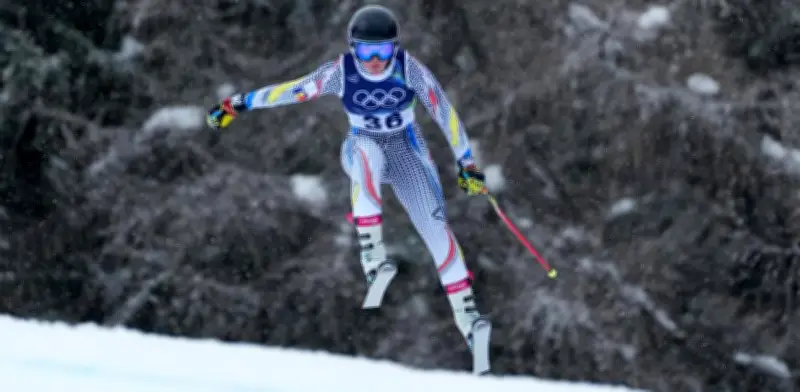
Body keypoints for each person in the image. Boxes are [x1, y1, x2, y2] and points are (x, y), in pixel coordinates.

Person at [206, 5, 491, 374]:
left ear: (395, 49)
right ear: (352, 49)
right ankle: (373, 255)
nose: (374, 61)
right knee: (368, 157)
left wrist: (466, 163)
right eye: (365, 52)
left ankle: (469, 320)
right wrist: (238, 104)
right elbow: (291, 91)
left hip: (407, 150)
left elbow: (445, 113)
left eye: (383, 52)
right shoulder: (340, 73)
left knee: (436, 229)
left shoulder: (410, 70)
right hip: (362, 144)